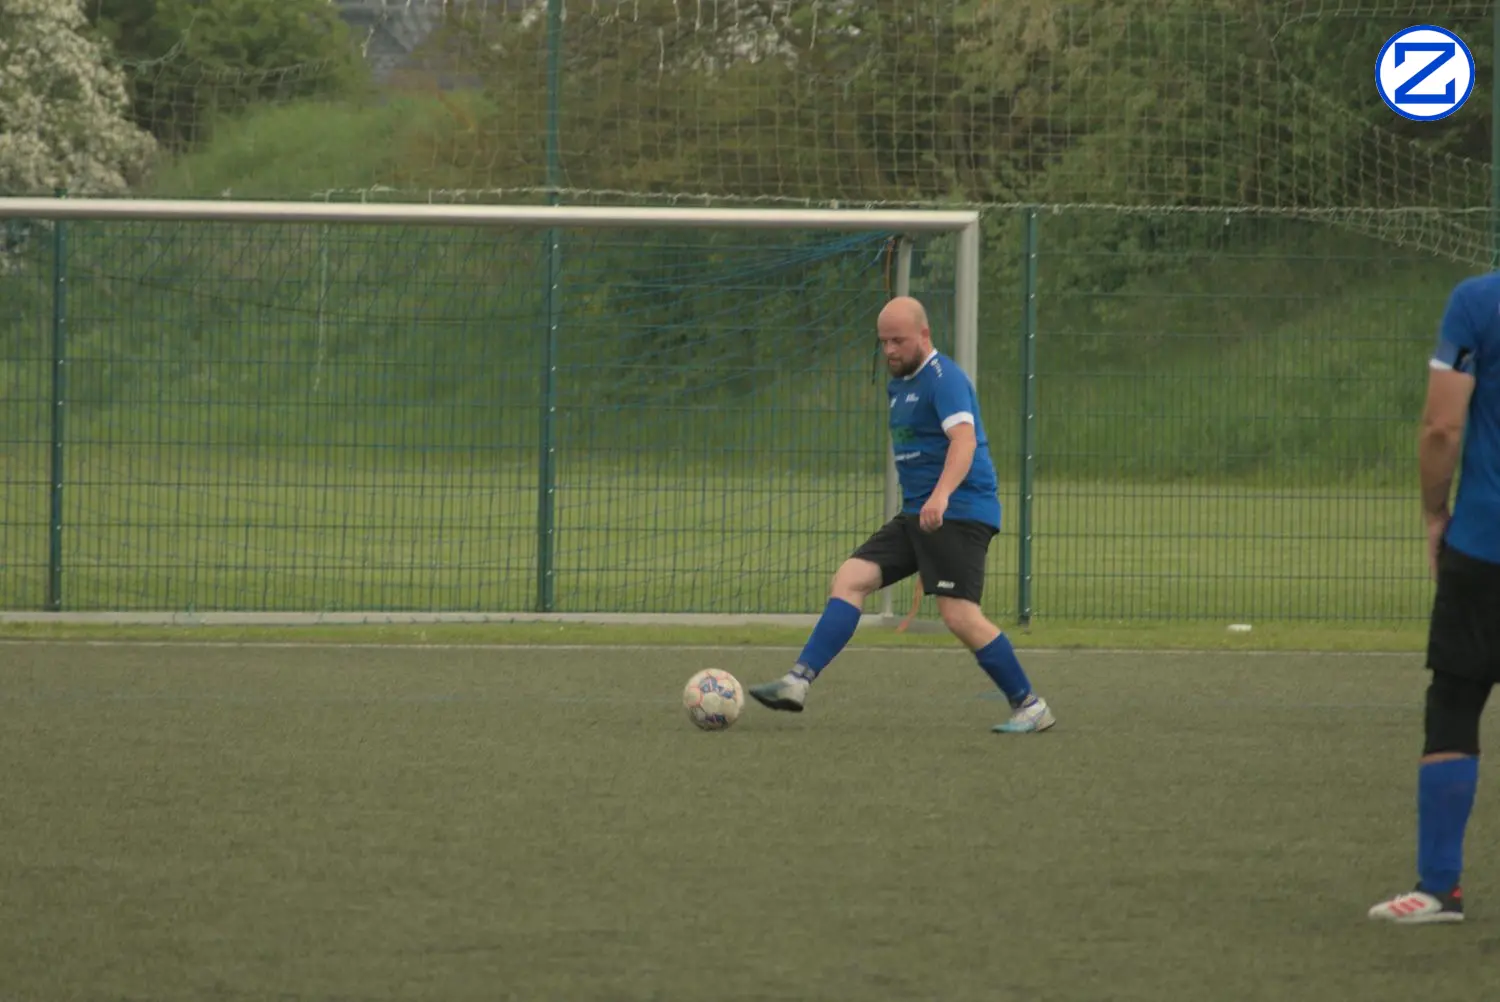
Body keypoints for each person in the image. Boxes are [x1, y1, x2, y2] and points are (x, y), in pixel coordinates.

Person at [747, 296, 1055, 734]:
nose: (890, 350)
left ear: (924, 335)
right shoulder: (899, 382)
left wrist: (942, 496)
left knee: (959, 615)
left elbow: (964, 442)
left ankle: (1030, 704)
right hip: (918, 513)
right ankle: (797, 681)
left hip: (959, 511)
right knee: (851, 578)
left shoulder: (944, 379)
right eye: (883, 341)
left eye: (899, 340)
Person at [1368, 273, 1500, 924]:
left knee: (1453, 703)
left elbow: (1442, 427)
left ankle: (1440, 887)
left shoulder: (1478, 302)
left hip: (1484, 544)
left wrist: (1432, 514)